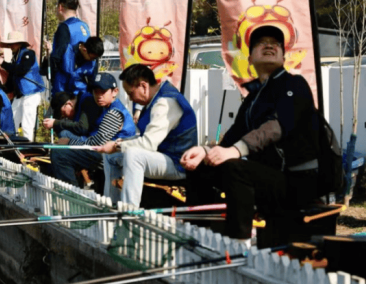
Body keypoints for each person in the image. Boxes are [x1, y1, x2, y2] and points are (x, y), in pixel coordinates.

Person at [180, 25, 320, 246]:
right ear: (250, 58)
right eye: (261, 43)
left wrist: (236, 151)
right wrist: (205, 151)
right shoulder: (253, 97)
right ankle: (198, 236)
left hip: (298, 180)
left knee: (235, 168)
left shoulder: (295, 85)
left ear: (283, 56)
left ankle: (239, 244)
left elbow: (276, 126)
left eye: (275, 43)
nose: (269, 46)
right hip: (267, 177)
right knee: (200, 167)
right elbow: (232, 137)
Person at [95, 64, 197, 207]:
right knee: (110, 156)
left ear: (143, 86)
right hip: (163, 156)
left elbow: (148, 144)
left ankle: (129, 210)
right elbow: (147, 138)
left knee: (133, 155)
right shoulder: (156, 99)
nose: (130, 99)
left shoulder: (166, 103)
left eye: (131, 93)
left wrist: (117, 145)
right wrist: (119, 143)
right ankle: (112, 204)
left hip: (178, 164)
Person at [50, 73, 136, 187]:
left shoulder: (114, 113)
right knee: (63, 141)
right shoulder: (105, 108)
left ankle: (70, 192)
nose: (99, 96)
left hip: (113, 155)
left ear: (115, 92)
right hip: (104, 152)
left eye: (103, 91)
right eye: (96, 91)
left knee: (59, 153)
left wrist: (70, 142)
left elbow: (97, 144)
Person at [0, 31, 44, 141]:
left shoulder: (29, 54)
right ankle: (12, 143)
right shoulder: (15, 57)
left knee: (27, 124)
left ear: (20, 43)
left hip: (31, 93)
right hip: (20, 95)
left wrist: (3, 63)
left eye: (13, 43)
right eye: (10, 44)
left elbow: (21, 70)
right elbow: (12, 77)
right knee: (12, 120)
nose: (11, 46)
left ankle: (28, 146)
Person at [50, 0, 91, 94]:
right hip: (84, 81)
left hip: (66, 84)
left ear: (60, 7)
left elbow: (58, 55)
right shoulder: (85, 26)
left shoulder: (65, 27)